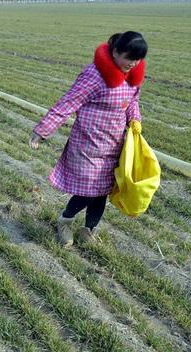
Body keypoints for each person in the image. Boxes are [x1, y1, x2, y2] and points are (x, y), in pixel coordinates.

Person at [28, 31, 147, 246]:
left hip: (114, 146)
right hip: (87, 145)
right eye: (129, 58)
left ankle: (89, 230)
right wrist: (42, 131)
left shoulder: (132, 76)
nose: (133, 63)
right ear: (115, 51)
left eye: (138, 59)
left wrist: (135, 120)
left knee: (101, 194)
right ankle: (64, 222)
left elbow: (133, 102)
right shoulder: (95, 75)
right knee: (87, 192)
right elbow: (68, 102)